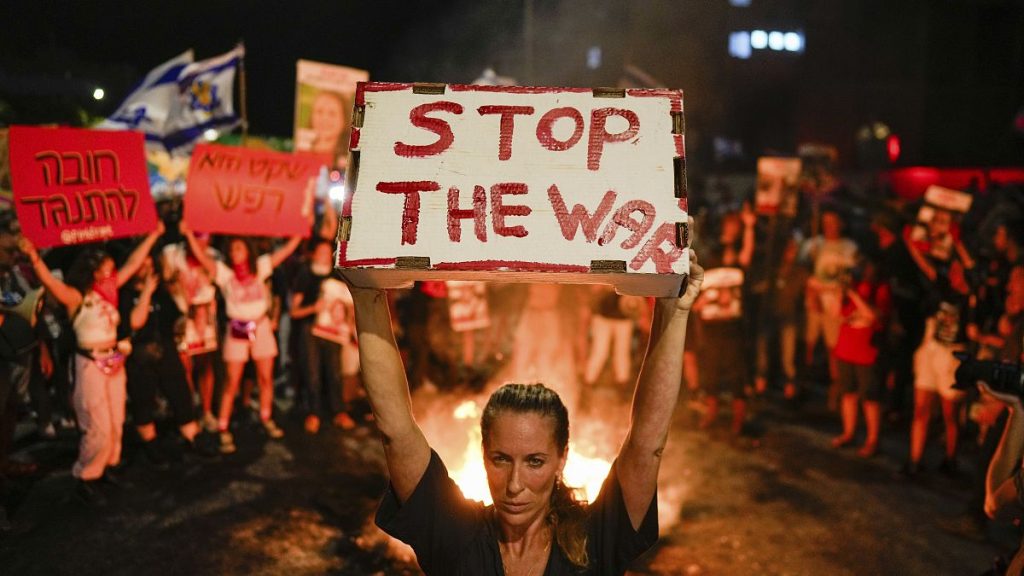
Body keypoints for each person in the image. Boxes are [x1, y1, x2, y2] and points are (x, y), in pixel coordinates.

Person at [348, 249, 703, 575]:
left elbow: (646, 443)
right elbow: (395, 431)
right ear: (483, 455)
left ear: (562, 459)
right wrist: (366, 296)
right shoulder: (457, 537)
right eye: (501, 459)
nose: (515, 485)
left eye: (535, 461)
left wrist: (674, 311)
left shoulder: (593, 542)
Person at [19, 224, 164, 505]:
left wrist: (153, 236)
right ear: (93, 272)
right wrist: (35, 259)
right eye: (106, 270)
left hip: (114, 361)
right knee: (96, 423)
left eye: (112, 270)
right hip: (90, 363)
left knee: (115, 419)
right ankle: (85, 477)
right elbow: (52, 284)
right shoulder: (78, 298)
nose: (112, 275)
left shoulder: (111, 292)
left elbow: (134, 263)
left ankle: (107, 464)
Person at [180, 224, 303, 454]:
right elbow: (200, 255)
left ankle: (266, 417)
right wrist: (188, 233)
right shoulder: (224, 273)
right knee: (231, 382)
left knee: (265, 377)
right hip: (236, 331)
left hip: (261, 326)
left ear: (248, 249)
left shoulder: (261, 267)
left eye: (238, 248)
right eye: (232, 249)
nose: (234, 252)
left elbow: (284, 252)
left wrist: (299, 231)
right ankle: (223, 427)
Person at [291, 239, 358, 433]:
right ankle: (313, 413)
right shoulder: (305, 274)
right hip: (310, 331)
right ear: (313, 254)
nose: (323, 256)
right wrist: (314, 308)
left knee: (334, 371)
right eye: (319, 251)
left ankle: (339, 411)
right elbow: (294, 311)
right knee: (312, 373)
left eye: (327, 252)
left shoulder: (338, 274)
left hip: (334, 332)